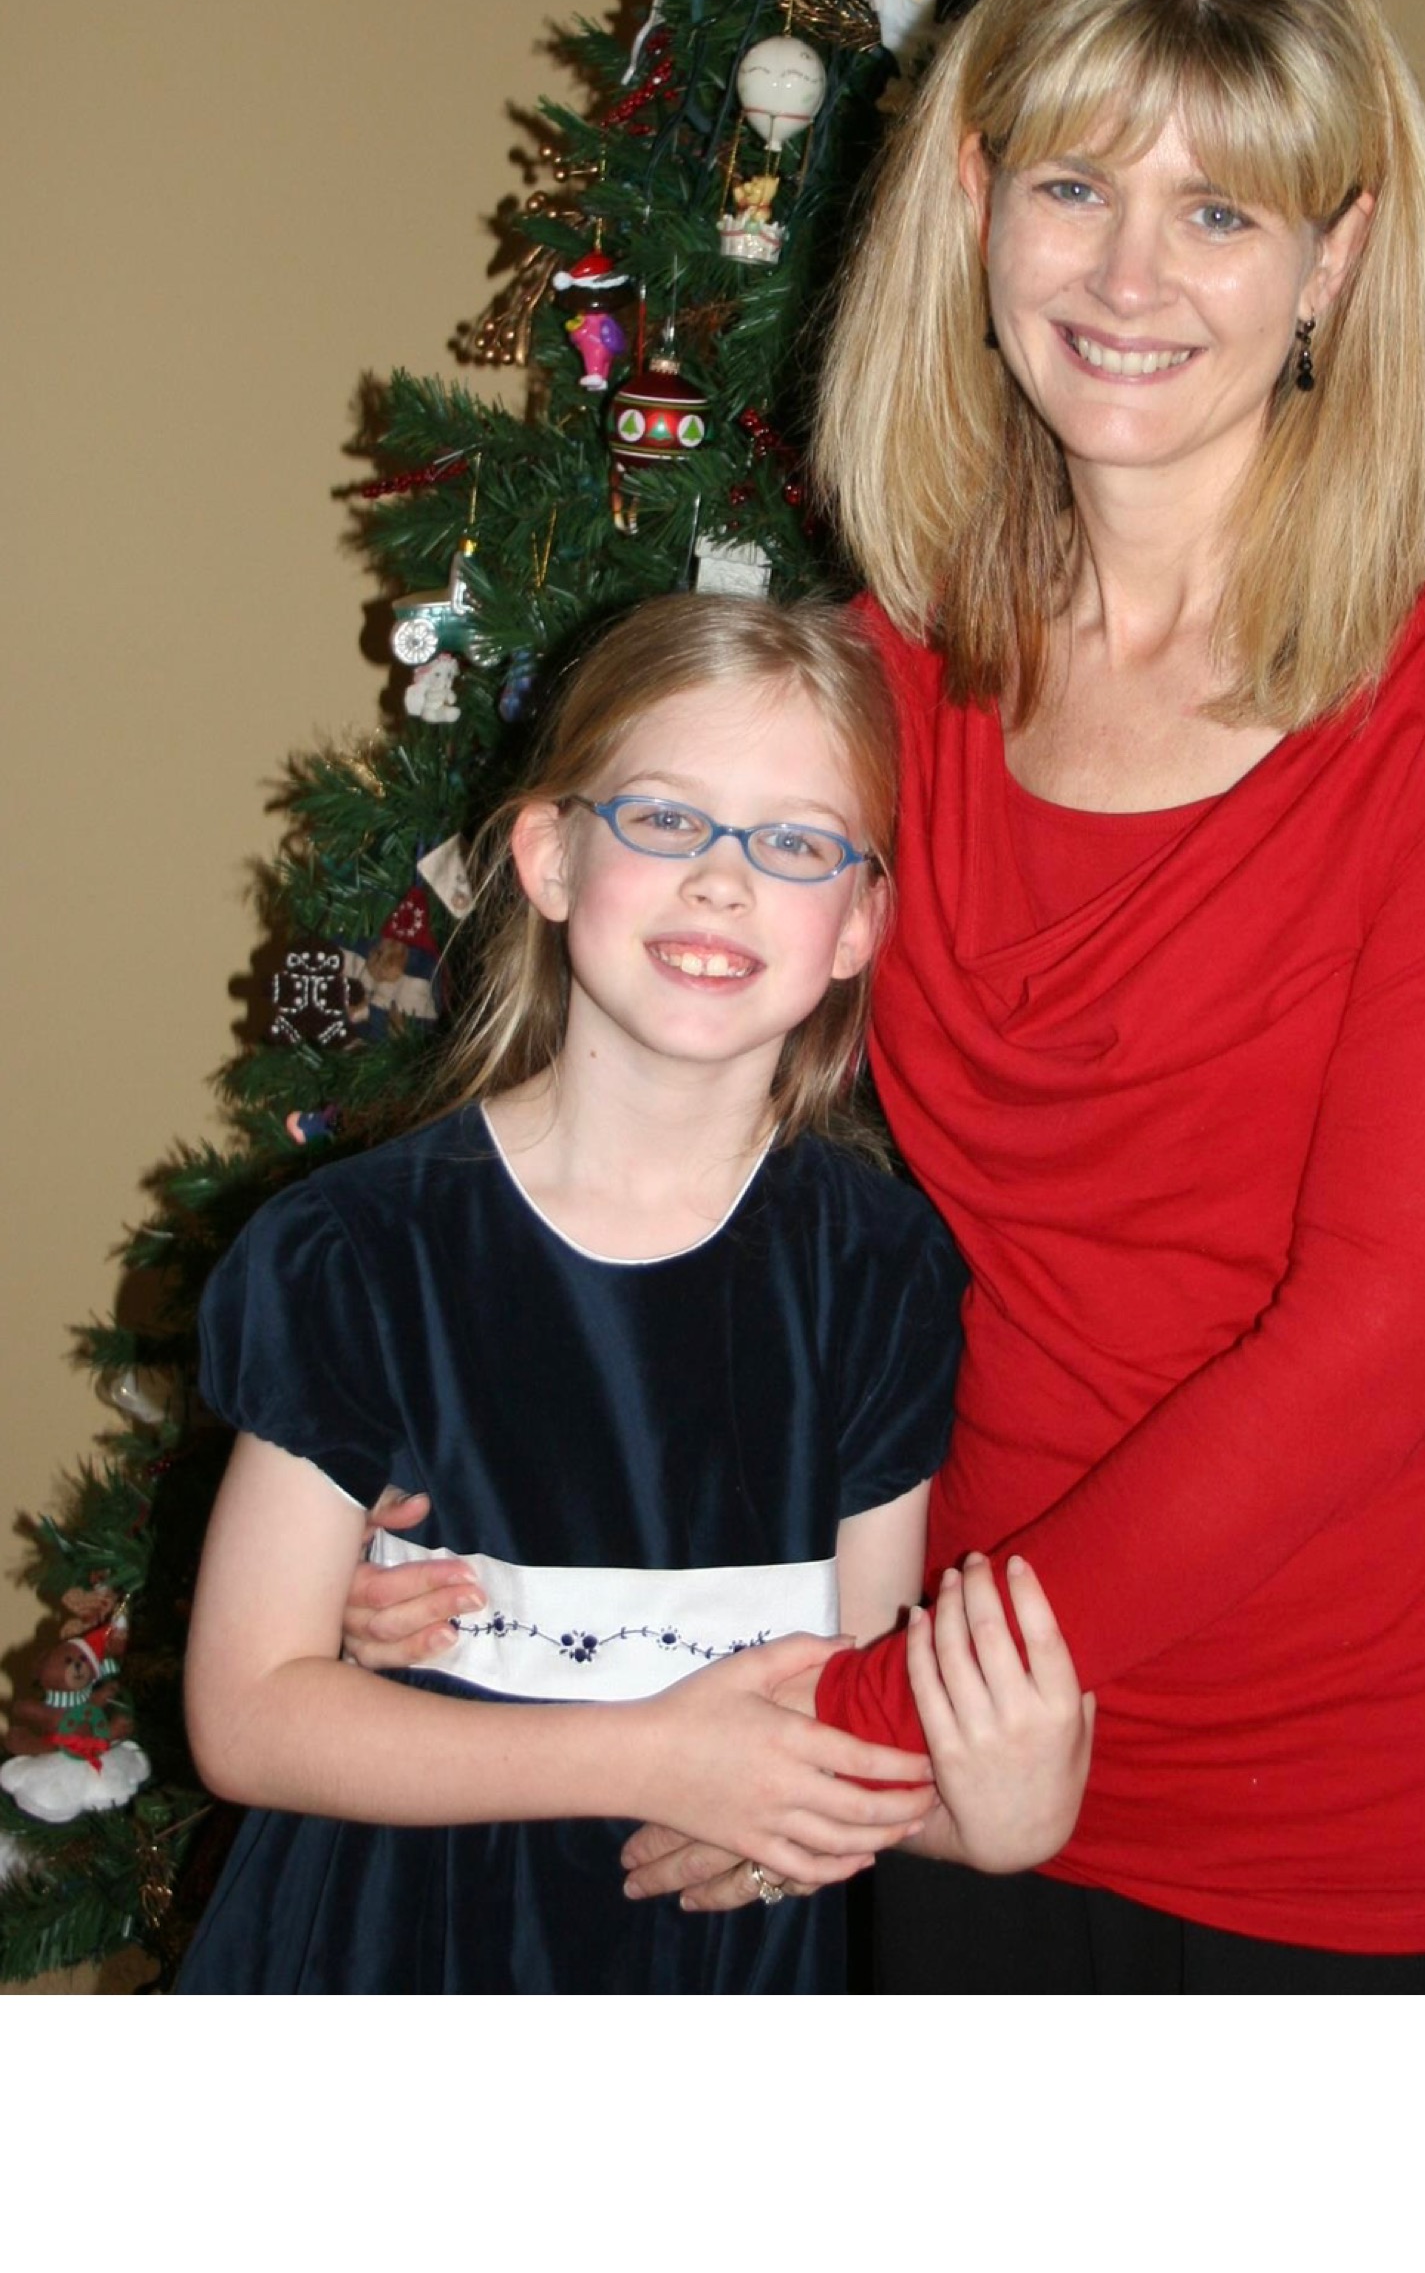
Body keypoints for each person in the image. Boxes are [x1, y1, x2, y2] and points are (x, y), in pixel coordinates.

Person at [348, 0, 1425, 1989]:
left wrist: (846, 1726)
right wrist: (450, 1453)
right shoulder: (887, 678)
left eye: (1223, 215)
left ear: (1339, 260)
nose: (1131, 276)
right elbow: (677, 1123)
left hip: (1361, 1773)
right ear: (972, 204)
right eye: (1073, 185)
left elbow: (1384, 1329)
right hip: (979, 1754)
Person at [179, 594, 1089, 1992]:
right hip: (406, 1947)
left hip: (726, 1965)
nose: (722, 883)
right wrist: (653, 1754)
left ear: (860, 921)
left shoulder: (879, 1273)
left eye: (794, 843)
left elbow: (855, 1703)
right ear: (548, 857)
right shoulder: (361, 1255)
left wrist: (985, 1825)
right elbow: (247, 1713)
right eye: (666, 819)